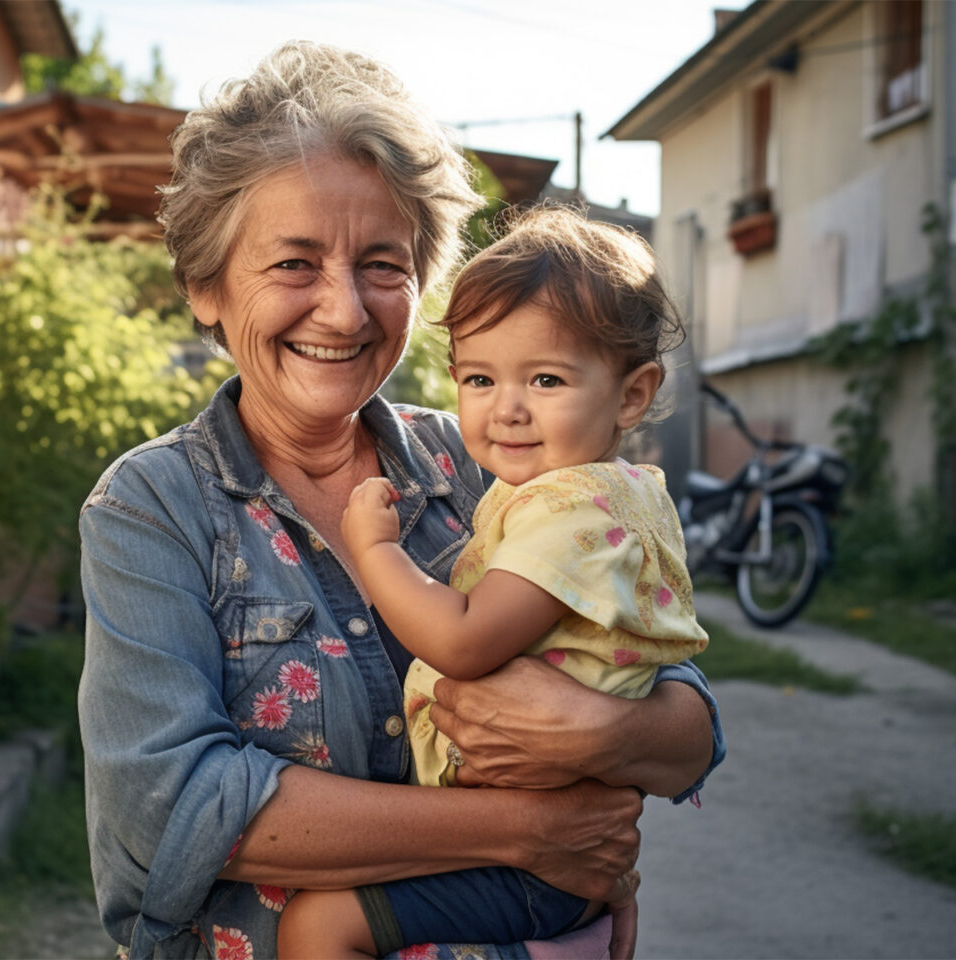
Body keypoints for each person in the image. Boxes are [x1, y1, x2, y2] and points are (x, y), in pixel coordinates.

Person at [77, 42, 725, 960]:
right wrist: (524, 833)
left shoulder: (491, 466)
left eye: (382, 264)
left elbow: (686, 720)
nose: (344, 312)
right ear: (205, 287)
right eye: (295, 264)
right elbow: (175, 807)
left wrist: (606, 730)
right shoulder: (154, 508)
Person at [277, 207, 707, 960]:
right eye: (479, 377)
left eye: (545, 378)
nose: (506, 409)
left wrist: (374, 550)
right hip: (532, 842)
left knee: (319, 927)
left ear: (633, 395)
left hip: (535, 867)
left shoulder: (573, 510)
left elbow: (464, 640)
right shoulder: (603, 489)